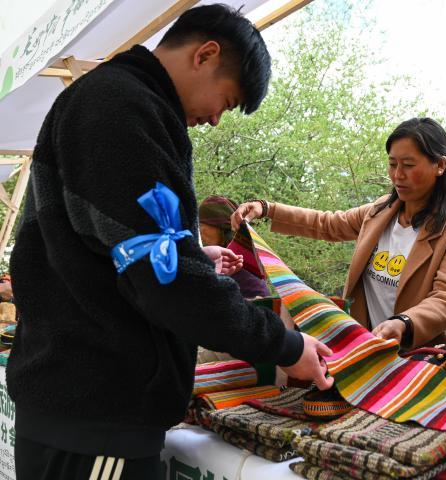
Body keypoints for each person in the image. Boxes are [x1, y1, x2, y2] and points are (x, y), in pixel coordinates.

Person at [7, 5, 332, 479]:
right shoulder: (122, 110)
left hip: (79, 409)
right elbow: (170, 284)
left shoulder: (108, 101)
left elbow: (111, 250)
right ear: (206, 54)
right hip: (97, 415)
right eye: (227, 100)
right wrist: (285, 345)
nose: (216, 119)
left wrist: (191, 256)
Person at [232, 117, 446, 348]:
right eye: (392, 164)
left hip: (426, 355)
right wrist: (267, 209)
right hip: (371, 351)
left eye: (408, 165)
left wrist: (404, 323)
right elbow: (327, 223)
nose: (397, 175)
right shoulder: (380, 212)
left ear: (440, 165)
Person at [199, 194, 270, 298]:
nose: (200, 233)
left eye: (202, 226)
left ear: (222, 228)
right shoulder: (217, 262)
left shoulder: (242, 268)